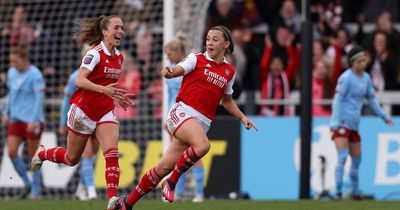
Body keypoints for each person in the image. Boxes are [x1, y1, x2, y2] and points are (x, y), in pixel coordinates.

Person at [109, 25, 258, 210]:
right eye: (208, 38)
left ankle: (126, 203)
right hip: (182, 113)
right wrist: (171, 72)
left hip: (201, 123)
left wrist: (243, 118)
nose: (210, 42)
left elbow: (227, 102)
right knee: (203, 146)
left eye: (215, 39)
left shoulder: (229, 72)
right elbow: (179, 69)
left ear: (226, 43)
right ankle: (171, 183)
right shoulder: (196, 58)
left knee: (162, 168)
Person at [30, 15, 134, 209]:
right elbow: (80, 81)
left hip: (105, 111)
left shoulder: (119, 57)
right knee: (71, 159)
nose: (120, 31)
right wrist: (105, 90)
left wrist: (117, 96)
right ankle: (42, 153)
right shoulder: (94, 54)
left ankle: (112, 199)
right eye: (116, 27)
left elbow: (108, 86)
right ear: (104, 31)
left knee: (111, 152)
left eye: (122, 28)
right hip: (83, 111)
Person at [330, 46, 393, 200]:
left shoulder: (366, 78)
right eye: (359, 61)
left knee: (357, 160)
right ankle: (338, 192)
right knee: (343, 157)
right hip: (343, 123)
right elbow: (337, 101)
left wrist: (383, 116)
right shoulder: (346, 78)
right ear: (352, 63)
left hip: (354, 125)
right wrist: (335, 122)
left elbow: (371, 100)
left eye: (364, 60)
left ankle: (356, 192)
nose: (363, 64)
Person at [164, 31, 205, 202]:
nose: (168, 56)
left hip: (187, 116)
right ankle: (177, 192)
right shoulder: (170, 71)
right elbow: (169, 96)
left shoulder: (188, 68)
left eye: (170, 53)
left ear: (180, 51)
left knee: (193, 155)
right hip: (174, 117)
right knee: (179, 157)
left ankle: (199, 193)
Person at [1, 47, 45, 199]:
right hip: (16, 119)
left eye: (15, 61)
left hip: (32, 121)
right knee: (11, 152)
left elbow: (39, 99)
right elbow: (12, 94)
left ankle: (36, 191)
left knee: (34, 156)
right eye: (11, 62)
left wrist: (34, 120)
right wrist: (6, 112)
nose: (13, 65)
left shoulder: (35, 74)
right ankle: (27, 183)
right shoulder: (12, 73)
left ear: (25, 60)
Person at [58, 45, 98, 200]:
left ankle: (81, 188)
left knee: (92, 156)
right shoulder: (75, 77)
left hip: (98, 119)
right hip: (81, 119)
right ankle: (91, 191)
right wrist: (62, 122)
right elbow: (65, 101)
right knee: (87, 154)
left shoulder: (102, 75)